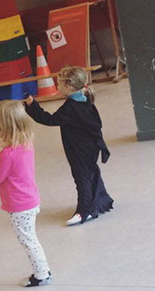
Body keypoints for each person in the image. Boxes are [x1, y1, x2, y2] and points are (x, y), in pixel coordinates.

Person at [23, 66, 113, 226]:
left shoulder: (70, 107)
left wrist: (32, 106)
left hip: (78, 149)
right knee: (91, 171)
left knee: (81, 177)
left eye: (59, 83)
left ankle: (85, 211)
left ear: (69, 86)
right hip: (91, 146)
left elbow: (50, 120)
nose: (57, 86)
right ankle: (100, 200)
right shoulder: (85, 99)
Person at [0, 100, 52, 287]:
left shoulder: (8, 153)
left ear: (4, 127)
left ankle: (42, 275)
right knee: (31, 238)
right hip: (30, 200)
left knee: (28, 241)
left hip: (19, 206)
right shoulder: (25, 144)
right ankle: (43, 270)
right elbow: (10, 171)